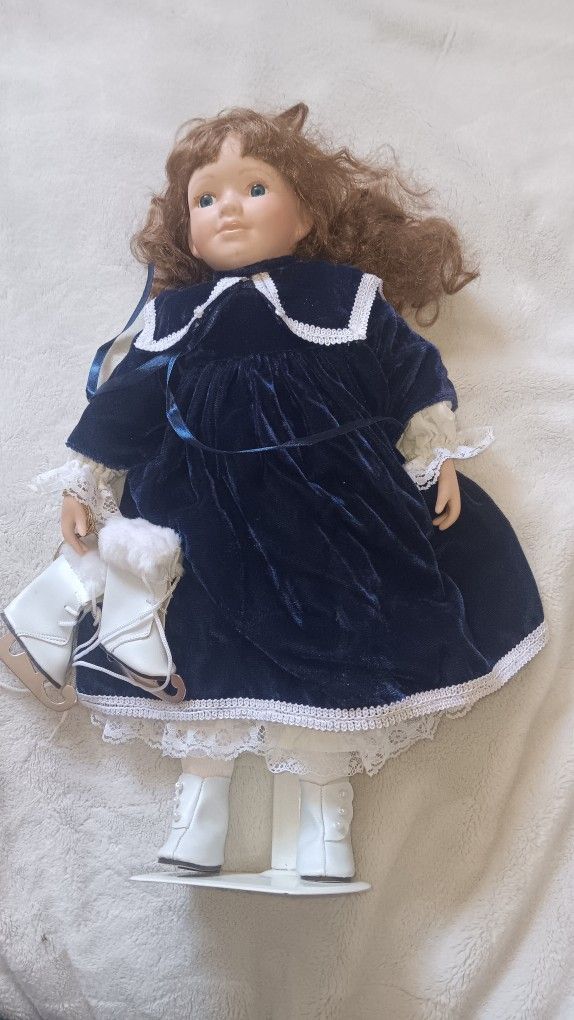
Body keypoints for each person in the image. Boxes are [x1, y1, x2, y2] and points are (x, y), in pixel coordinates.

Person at [4, 102, 549, 882]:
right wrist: (86, 482)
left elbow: (409, 373)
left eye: (254, 188)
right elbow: (125, 404)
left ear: (305, 217)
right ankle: (197, 815)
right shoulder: (173, 317)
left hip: (335, 511)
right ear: (187, 233)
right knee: (200, 652)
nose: (228, 207)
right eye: (206, 198)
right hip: (200, 514)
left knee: (336, 657)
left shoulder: (346, 297)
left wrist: (434, 454)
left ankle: (323, 822)